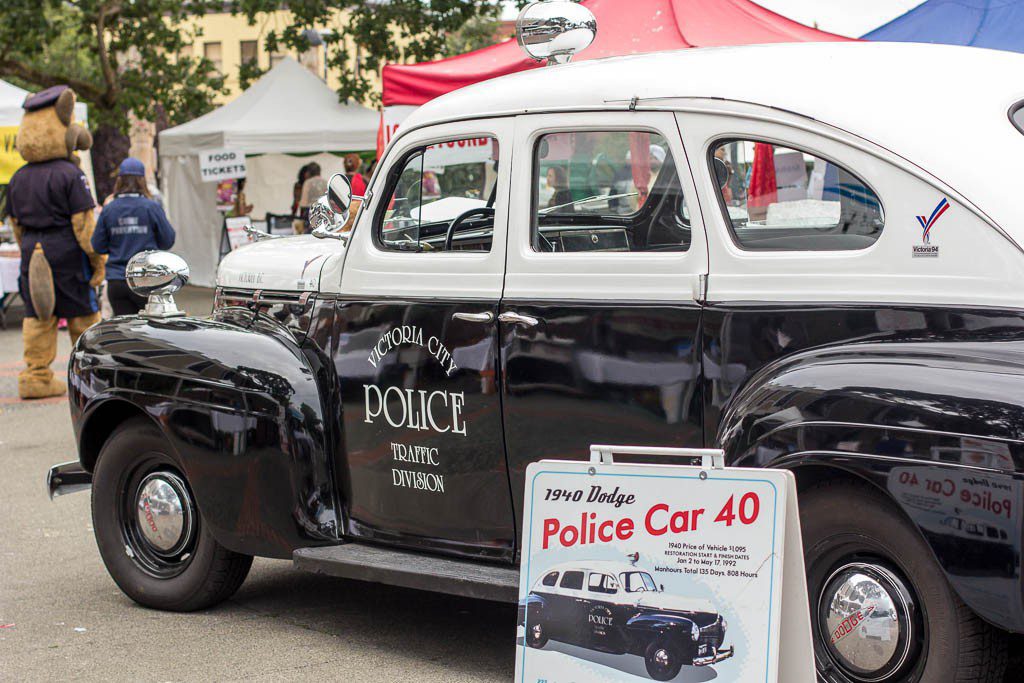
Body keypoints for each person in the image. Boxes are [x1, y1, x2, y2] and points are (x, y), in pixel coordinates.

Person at [6, 85, 103, 400]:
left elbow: (15, 224)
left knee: (38, 316)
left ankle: (35, 375)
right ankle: (93, 375)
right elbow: (84, 225)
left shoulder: (18, 177)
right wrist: (97, 260)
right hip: (65, 251)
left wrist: (28, 247)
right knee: (83, 315)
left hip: (31, 250)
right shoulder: (70, 175)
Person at [91, 157, 176, 316]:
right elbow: (168, 240)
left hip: (118, 281)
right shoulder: (151, 207)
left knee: (126, 334)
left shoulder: (110, 209)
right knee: (149, 332)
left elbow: (97, 245)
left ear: (119, 180)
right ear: (142, 181)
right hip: (147, 279)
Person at [298, 162, 327, 232]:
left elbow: (303, 203)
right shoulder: (325, 182)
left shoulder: (308, 182)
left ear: (309, 172)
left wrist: (301, 218)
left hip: (310, 213)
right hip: (323, 212)